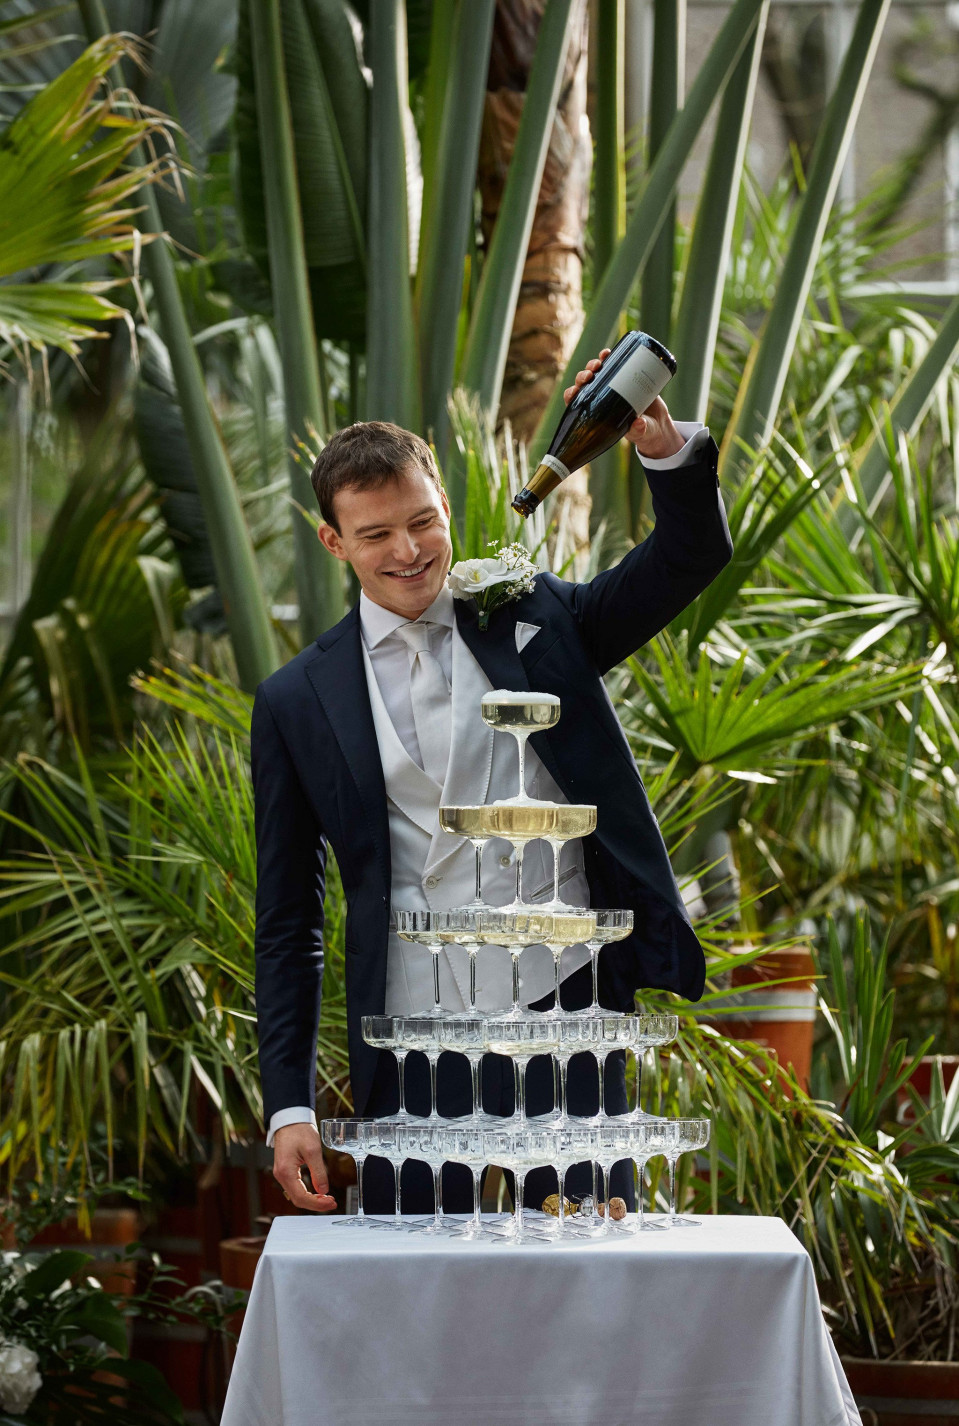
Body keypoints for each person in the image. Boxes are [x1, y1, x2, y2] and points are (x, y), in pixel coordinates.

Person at [252, 349, 734, 1215]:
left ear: (444, 507)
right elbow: (288, 919)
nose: (407, 552)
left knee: (589, 1269)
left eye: (423, 522)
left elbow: (685, 560)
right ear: (333, 541)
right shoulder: (294, 700)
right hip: (409, 1025)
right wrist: (290, 1102)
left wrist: (663, 451)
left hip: (565, 997)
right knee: (420, 1286)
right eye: (374, 535)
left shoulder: (533, 615)